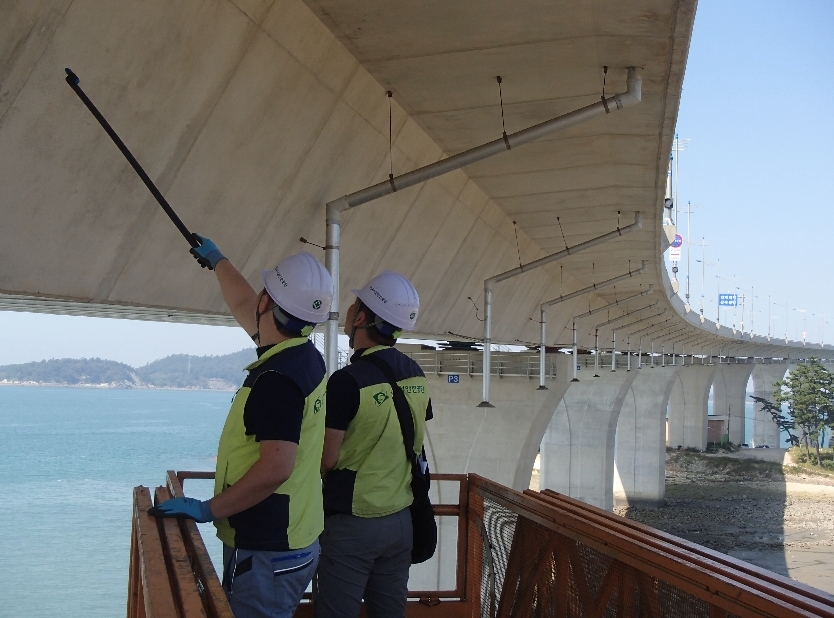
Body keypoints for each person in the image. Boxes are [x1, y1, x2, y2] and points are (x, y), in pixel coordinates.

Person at [149, 236, 332, 618]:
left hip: (269, 549)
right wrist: (219, 262)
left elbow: (276, 466)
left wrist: (208, 509)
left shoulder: (277, 380)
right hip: (295, 534)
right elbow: (244, 305)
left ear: (269, 303)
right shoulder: (303, 356)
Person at [315, 271, 432, 618]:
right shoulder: (416, 375)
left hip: (353, 523)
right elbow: (409, 436)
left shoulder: (346, 382)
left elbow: (327, 460)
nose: (349, 312)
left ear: (362, 318)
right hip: (401, 520)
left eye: (353, 306)